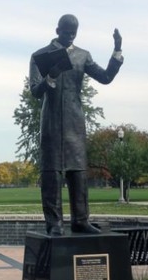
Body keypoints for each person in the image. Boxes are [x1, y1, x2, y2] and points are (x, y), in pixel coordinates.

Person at [29, 14, 123, 236]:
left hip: (75, 122)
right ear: (57, 30)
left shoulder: (82, 56)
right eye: (66, 32)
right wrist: (50, 77)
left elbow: (106, 77)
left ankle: (81, 220)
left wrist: (117, 50)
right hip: (51, 121)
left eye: (74, 33)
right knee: (52, 174)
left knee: (78, 173)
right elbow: (35, 91)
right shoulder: (40, 55)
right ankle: (54, 224)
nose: (70, 36)